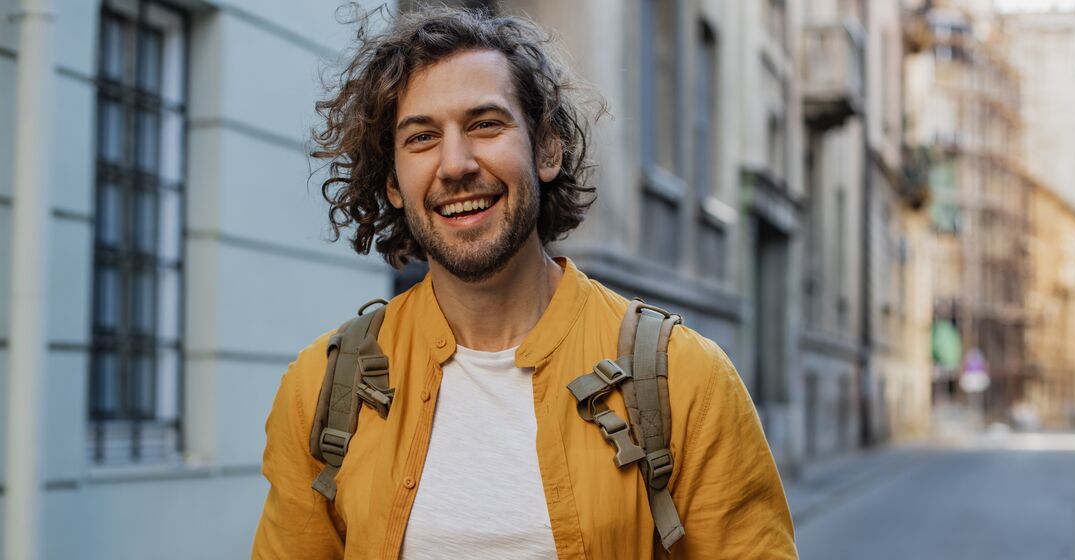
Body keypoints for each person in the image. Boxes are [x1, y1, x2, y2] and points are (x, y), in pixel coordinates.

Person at [252, 7, 796, 559]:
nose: (456, 164)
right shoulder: (321, 387)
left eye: (486, 124)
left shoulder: (687, 380)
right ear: (393, 182)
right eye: (421, 137)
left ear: (547, 150)